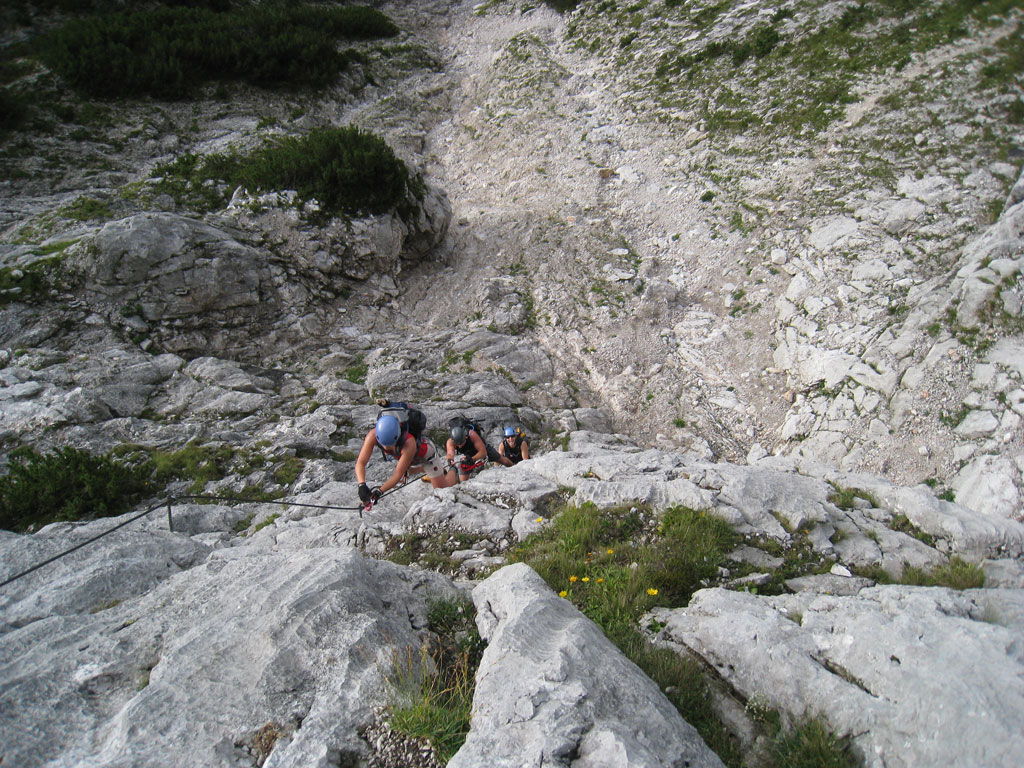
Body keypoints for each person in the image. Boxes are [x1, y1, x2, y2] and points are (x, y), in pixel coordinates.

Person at [355, 403, 454, 506]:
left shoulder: (409, 443)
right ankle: (433, 471)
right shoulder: (372, 435)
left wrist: (379, 492)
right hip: (408, 458)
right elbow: (360, 463)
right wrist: (362, 485)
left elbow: (398, 474)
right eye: (383, 445)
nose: (387, 449)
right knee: (409, 469)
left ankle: (453, 469)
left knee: (443, 490)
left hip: (427, 457)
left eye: (390, 445)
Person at [445, 416, 510, 482]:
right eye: (457, 444)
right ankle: (464, 485)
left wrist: (472, 459)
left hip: (484, 449)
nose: (459, 446)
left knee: (501, 459)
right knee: (463, 476)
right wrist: (450, 459)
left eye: (461, 443)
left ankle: (513, 466)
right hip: (468, 455)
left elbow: (483, 452)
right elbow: (450, 453)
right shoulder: (450, 442)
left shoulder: (472, 435)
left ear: (466, 437)